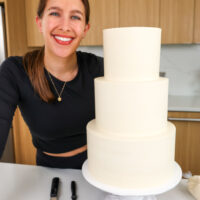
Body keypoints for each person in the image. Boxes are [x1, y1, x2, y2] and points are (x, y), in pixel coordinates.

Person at [0, 0, 103, 169]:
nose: (65, 26)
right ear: (39, 23)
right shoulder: (15, 72)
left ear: (85, 29)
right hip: (47, 172)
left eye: (75, 17)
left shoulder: (99, 68)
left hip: (98, 166)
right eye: (55, 13)